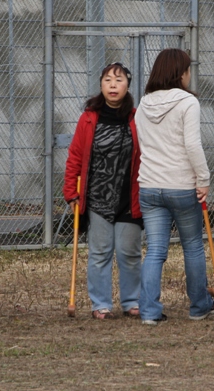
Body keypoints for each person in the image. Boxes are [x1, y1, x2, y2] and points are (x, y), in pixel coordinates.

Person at [135, 48, 214, 324]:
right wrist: (204, 179)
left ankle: (149, 311)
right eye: (187, 70)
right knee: (193, 246)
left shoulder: (144, 103)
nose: (189, 75)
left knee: (156, 249)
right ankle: (199, 306)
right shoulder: (188, 102)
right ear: (181, 73)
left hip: (149, 186)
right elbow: (192, 145)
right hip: (182, 185)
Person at [63, 62, 143, 320]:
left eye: (119, 80)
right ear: (100, 84)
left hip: (128, 197)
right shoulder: (88, 118)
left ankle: (132, 301)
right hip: (96, 196)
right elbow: (75, 155)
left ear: (127, 85)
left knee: (129, 251)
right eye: (108, 80)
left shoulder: (136, 117)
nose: (113, 85)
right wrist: (70, 192)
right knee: (100, 251)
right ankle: (101, 304)